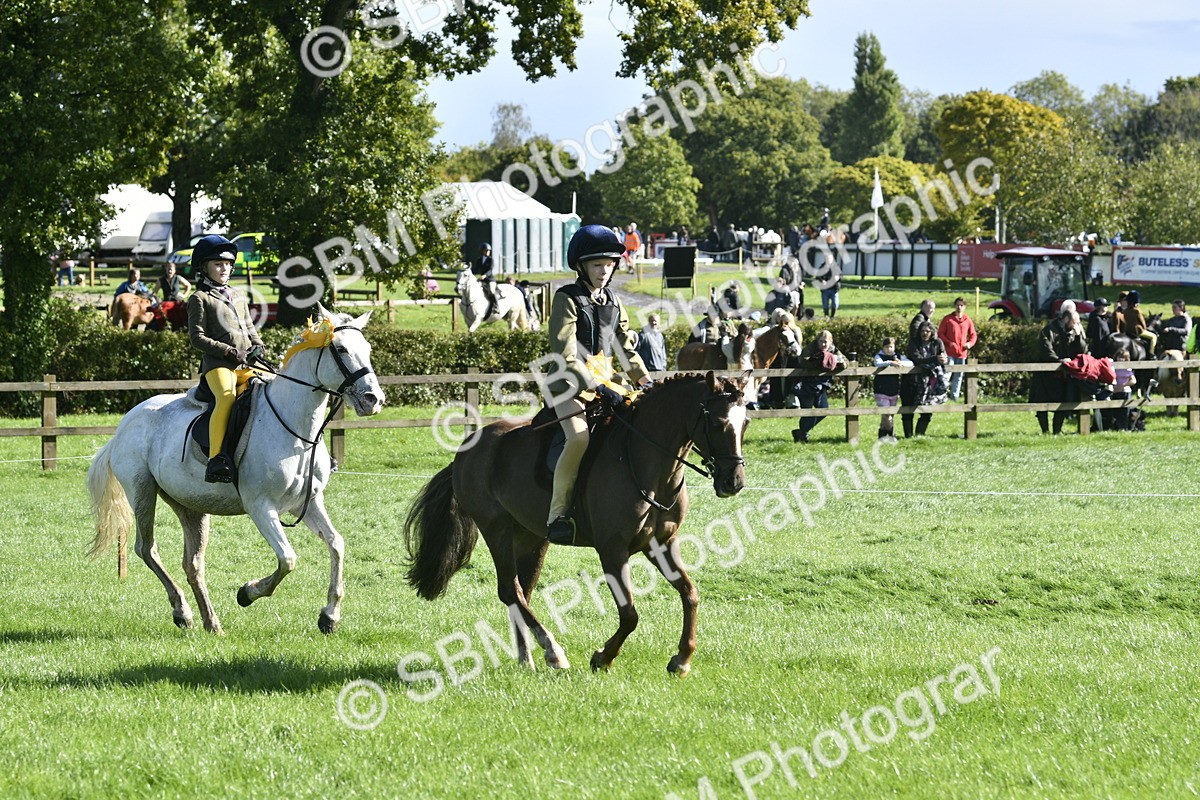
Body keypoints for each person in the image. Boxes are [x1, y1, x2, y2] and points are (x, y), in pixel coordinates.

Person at [544, 225, 650, 545]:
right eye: (596, 265)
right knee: (577, 438)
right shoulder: (567, 298)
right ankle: (558, 514)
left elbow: (626, 348)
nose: (604, 271)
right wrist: (594, 384)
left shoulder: (614, 301)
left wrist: (644, 380)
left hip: (607, 381)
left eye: (608, 265)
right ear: (581, 267)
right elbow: (564, 353)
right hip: (567, 383)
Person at [187, 234, 266, 483]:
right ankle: (216, 459)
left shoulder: (238, 295)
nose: (225, 269)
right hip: (218, 366)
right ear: (204, 267)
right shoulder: (199, 299)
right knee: (227, 397)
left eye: (228, 264)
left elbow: (249, 327)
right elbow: (197, 338)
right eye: (218, 264)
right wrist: (230, 352)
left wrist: (259, 346)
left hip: (246, 364)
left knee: (275, 387)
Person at [1031, 307, 1087, 435]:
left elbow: (1082, 352)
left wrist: (1078, 336)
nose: (1075, 325)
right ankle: (1045, 431)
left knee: (1062, 402)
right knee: (1042, 402)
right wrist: (1059, 361)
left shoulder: (1073, 333)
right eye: (1074, 322)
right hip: (1045, 375)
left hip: (1062, 376)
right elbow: (1045, 349)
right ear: (1066, 319)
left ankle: (1057, 431)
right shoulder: (1049, 331)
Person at [791, 330, 846, 443]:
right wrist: (818, 362)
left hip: (821, 385)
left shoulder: (834, 350)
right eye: (821, 341)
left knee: (823, 410)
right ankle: (803, 436)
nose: (823, 344)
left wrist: (838, 363)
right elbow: (803, 361)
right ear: (817, 341)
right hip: (806, 384)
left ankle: (801, 432)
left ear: (830, 342)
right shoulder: (811, 348)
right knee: (807, 411)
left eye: (826, 342)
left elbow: (846, 362)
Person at [901, 320, 948, 437]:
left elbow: (943, 356)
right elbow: (918, 359)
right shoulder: (913, 342)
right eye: (922, 331)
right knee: (908, 408)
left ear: (932, 332)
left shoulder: (938, 342)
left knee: (928, 410)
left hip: (931, 382)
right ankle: (908, 436)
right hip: (912, 381)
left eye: (928, 331)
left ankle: (919, 435)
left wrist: (943, 359)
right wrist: (935, 359)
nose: (925, 333)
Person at [936, 297, 978, 401]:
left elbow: (973, 335)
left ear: (965, 307)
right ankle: (942, 396)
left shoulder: (967, 320)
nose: (959, 307)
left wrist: (969, 344)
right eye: (957, 305)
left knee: (959, 376)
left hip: (962, 353)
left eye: (961, 305)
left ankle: (954, 397)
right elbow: (940, 333)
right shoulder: (948, 319)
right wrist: (949, 343)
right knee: (947, 375)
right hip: (949, 353)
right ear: (954, 306)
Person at [873, 337, 911, 441]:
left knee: (888, 415)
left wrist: (900, 363)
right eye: (887, 347)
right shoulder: (879, 356)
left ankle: (881, 436)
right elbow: (878, 363)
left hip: (893, 390)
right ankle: (891, 436)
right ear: (883, 347)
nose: (889, 349)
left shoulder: (897, 356)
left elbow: (911, 363)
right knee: (887, 414)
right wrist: (890, 363)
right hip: (881, 389)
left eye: (891, 347)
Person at [1120, 290, 1156, 356]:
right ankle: (1151, 353)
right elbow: (1142, 323)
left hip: (1128, 331)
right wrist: (1144, 328)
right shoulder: (1137, 311)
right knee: (1154, 337)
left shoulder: (1125, 311)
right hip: (1137, 332)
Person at [471, 243, 498, 318]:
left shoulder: (490, 260)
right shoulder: (479, 259)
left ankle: (496, 306)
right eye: (486, 250)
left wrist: (485, 275)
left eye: (488, 251)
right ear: (482, 251)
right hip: (482, 280)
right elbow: (476, 269)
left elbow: (490, 270)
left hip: (490, 279)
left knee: (492, 291)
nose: (487, 252)